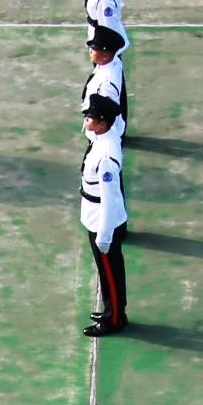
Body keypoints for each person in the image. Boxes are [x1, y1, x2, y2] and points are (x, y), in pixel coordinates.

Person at [80, 96, 127, 337]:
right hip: (93, 215)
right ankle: (112, 308)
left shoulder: (106, 157)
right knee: (106, 271)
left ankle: (115, 318)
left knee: (110, 271)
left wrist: (105, 234)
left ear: (102, 123)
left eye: (91, 118)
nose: (86, 120)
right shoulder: (103, 137)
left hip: (102, 219)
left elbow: (110, 199)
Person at [83, 26, 126, 138]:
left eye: (95, 49)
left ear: (105, 56)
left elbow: (106, 113)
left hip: (101, 132)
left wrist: (96, 132)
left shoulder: (104, 86)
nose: (90, 50)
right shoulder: (113, 63)